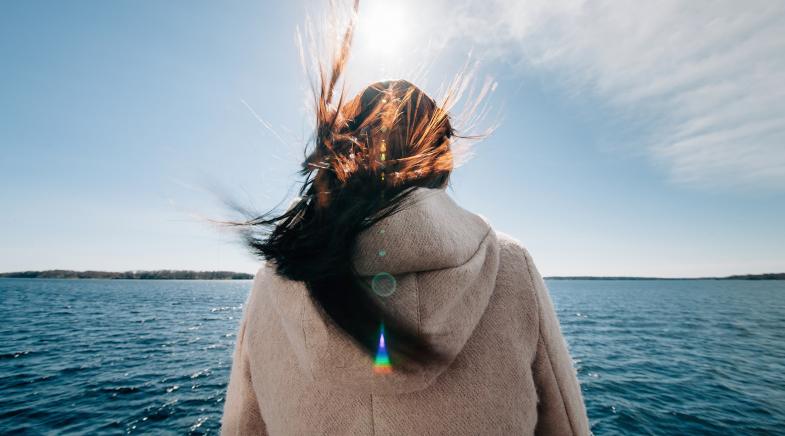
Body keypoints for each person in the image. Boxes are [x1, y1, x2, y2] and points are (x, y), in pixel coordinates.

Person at [220, 3, 589, 435]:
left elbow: (243, 428)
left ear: (345, 151)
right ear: (442, 161)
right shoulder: (511, 267)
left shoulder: (276, 279)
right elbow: (566, 424)